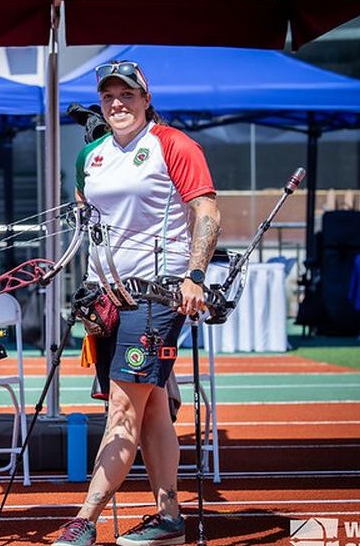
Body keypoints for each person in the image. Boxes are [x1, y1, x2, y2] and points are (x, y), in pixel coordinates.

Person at [53, 60, 220, 546]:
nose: (117, 103)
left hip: (157, 298)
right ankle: (169, 518)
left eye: (127, 95)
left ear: (146, 99)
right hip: (107, 302)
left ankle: (85, 519)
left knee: (123, 409)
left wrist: (194, 275)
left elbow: (206, 210)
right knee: (151, 413)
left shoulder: (172, 143)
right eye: (108, 96)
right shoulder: (92, 154)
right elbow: (86, 214)